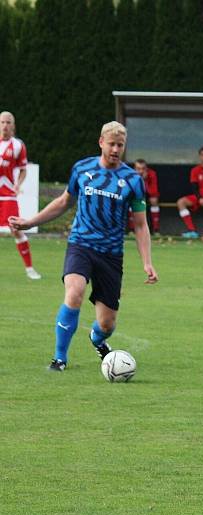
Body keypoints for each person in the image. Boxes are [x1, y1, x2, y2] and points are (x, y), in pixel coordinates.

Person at [8, 121, 158, 371]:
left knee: (107, 324)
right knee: (74, 291)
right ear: (101, 142)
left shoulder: (132, 180)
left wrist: (147, 262)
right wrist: (29, 221)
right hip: (81, 244)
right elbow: (64, 201)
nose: (115, 149)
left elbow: (141, 226)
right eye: (111, 144)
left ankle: (97, 339)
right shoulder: (82, 169)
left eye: (120, 145)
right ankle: (59, 358)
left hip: (111, 255)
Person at [0, 111, 40, 279]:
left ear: (13, 126)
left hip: (8, 193)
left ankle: (30, 268)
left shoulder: (18, 145)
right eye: (2, 122)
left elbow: (23, 170)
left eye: (8, 122)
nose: (5, 126)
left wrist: (18, 184)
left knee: (15, 229)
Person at [133, 159, 160, 235]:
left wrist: (144, 180)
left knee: (154, 200)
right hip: (135, 196)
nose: (141, 171)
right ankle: (132, 230)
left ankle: (155, 229)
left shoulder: (152, 174)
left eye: (143, 169)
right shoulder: (131, 174)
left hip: (148, 196)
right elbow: (130, 190)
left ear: (146, 169)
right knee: (130, 199)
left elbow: (153, 192)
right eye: (138, 169)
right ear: (134, 169)